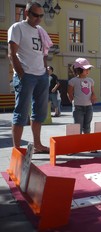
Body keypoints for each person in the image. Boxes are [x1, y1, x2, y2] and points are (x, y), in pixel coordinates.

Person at [8, 2, 52, 153]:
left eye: (41, 16)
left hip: (41, 76)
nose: (38, 18)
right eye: (35, 15)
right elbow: (12, 54)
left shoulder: (41, 30)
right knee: (21, 113)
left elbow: (44, 52)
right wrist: (21, 74)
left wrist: (45, 69)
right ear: (26, 13)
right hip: (26, 76)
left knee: (39, 113)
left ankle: (38, 145)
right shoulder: (17, 27)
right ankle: (17, 149)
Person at [67, 58, 97, 134]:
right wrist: (73, 102)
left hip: (89, 107)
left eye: (88, 69)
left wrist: (93, 95)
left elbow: (93, 92)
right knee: (78, 127)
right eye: (86, 69)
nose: (88, 71)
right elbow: (69, 93)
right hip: (78, 107)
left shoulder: (90, 80)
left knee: (87, 127)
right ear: (79, 70)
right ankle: (78, 143)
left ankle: (86, 143)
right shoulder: (73, 81)